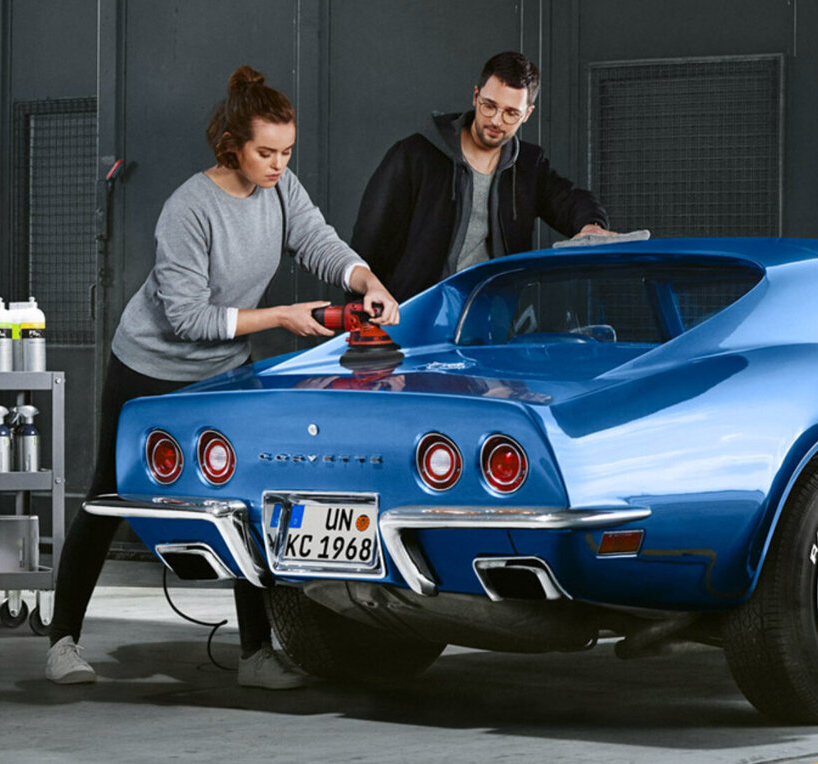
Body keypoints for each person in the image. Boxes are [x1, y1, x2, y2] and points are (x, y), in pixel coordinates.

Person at [45, 65, 399, 688]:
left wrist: (364, 278)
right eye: (266, 152)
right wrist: (283, 316)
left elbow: (318, 241)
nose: (278, 165)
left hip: (223, 367)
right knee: (107, 496)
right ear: (231, 143)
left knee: (239, 502)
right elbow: (186, 317)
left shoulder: (282, 189)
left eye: (288, 153)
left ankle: (255, 654)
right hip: (149, 365)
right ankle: (63, 641)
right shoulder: (189, 207)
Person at [351, 51, 614, 302]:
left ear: (527, 114)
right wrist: (364, 317)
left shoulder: (528, 165)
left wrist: (590, 225)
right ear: (476, 97)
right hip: (414, 313)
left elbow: (569, 200)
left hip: (490, 317)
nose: (497, 121)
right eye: (489, 106)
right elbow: (370, 240)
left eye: (511, 113)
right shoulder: (415, 155)